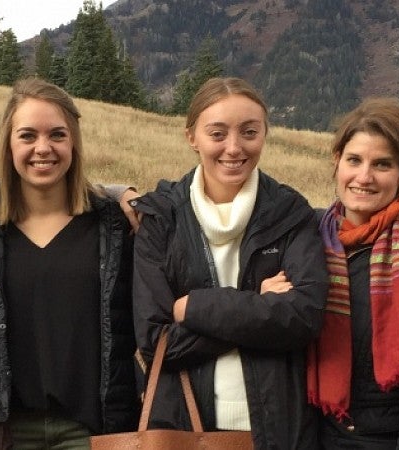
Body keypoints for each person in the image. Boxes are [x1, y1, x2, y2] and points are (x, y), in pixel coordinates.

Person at [132, 77, 328, 449]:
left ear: (265, 134)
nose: (234, 148)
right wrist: (253, 298)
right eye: (217, 133)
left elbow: (304, 316)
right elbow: (157, 343)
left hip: (277, 428)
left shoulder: (290, 213)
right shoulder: (161, 217)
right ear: (192, 137)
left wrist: (197, 307)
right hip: (181, 427)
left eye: (249, 132)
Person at [0, 78, 139, 449]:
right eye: (27, 136)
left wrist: (120, 192)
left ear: (73, 141)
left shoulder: (113, 224)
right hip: (5, 433)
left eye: (57, 135)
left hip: (94, 432)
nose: (43, 148)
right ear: (8, 144)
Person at [307, 97, 399, 448]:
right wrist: (129, 194)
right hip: (320, 435)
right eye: (354, 160)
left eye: (382, 164)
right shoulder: (309, 235)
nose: (364, 177)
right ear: (336, 160)